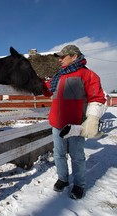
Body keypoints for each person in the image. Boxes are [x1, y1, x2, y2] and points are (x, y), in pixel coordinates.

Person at [42, 45, 106, 199]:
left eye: (63, 56)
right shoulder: (58, 76)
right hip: (57, 123)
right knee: (59, 154)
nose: (60, 59)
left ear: (74, 57)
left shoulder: (88, 75)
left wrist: (92, 119)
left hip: (76, 125)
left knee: (77, 156)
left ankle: (79, 184)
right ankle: (63, 179)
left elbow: (97, 98)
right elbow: (45, 89)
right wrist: (31, 80)